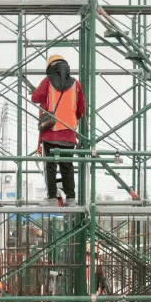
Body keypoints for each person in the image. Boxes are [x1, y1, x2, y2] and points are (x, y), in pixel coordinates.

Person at [30, 54, 86, 206]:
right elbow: (81, 109)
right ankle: (71, 198)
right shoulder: (76, 84)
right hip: (69, 135)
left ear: (50, 67)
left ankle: (52, 198)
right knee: (67, 166)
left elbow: (35, 98)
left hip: (50, 133)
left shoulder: (47, 81)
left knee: (50, 166)